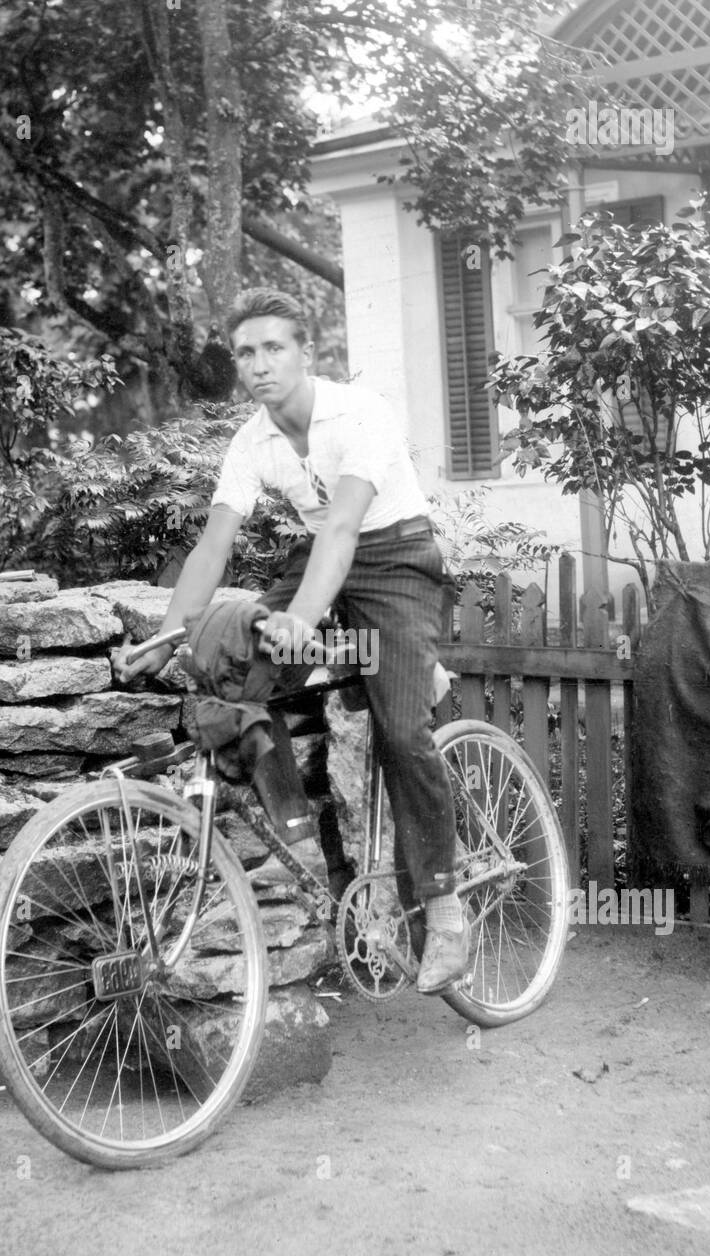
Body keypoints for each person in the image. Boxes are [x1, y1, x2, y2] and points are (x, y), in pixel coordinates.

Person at [112, 288, 468, 992]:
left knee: (400, 733)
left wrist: (303, 619)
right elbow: (214, 544)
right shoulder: (253, 440)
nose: (258, 364)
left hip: (394, 557)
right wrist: (165, 637)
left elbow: (343, 527)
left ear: (307, 353)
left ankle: (444, 904)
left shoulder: (358, 414)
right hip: (317, 560)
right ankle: (296, 837)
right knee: (225, 668)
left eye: (273, 348)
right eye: (245, 352)